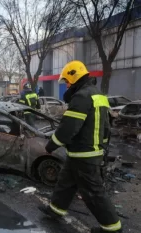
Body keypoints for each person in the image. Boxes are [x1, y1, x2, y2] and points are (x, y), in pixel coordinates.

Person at [39, 60, 122, 233]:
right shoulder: (97, 95)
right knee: (66, 183)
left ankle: (112, 228)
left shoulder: (81, 97)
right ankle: (55, 210)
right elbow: (107, 126)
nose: (67, 85)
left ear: (74, 76)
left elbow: (68, 128)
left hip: (85, 154)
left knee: (93, 193)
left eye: (67, 81)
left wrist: (50, 145)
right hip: (84, 152)